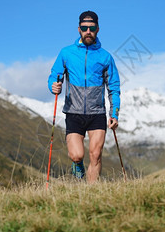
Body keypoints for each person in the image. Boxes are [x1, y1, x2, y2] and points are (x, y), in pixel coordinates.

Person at [48, 10, 121, 183]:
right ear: (79, 29)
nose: (88, 31)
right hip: (74, 112)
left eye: (92, 27)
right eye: (84, 27)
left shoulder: (106, 57)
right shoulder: (66, 53)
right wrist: (53, 86)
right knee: (76, 155)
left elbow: (114, 88)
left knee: (96, 155)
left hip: (96, 113)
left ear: (98, 29)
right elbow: (54, 75)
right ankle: (77, 164)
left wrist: (114, 113)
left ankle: (91, 194)